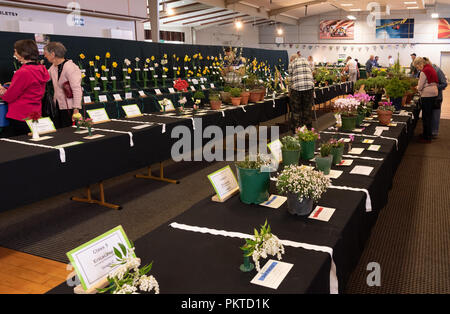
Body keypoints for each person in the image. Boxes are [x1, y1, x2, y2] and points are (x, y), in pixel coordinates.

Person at [0, 39, 49, 137]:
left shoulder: (23, 72)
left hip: (20, 116)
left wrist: (2, 91)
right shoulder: (41, 69)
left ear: (22, 53)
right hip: (35, 113)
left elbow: (9, 97)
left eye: (15, 51)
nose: (14, 53)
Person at [44, 42, 83, 129]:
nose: (45, 56)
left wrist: (76, 109)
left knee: (70, 131)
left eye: (46, 54)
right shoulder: (53, 67)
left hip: (69, 107)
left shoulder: (71, 67)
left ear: (53, 54)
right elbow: (45, 78)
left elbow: (77, 89)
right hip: (58, 106)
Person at [413, 57, 439, 143]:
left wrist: (416, 88)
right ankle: (427, 134)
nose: (417, 69)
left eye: (417, 67)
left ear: (419, 64)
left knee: (426, 117)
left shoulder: (424, 71)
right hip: (434, 94)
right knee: (429, 116)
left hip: (427, 95)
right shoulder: (430, 68)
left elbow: (420, 86)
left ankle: (426, 138)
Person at [288, 55, 315, 131]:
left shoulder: (292, 63)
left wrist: (289, 91)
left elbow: (290, 79)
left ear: (292, 59)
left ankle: (297, 130)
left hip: (297, 89)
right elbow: (312, 73)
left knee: (296, 110)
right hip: (309, 88)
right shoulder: (306, 61)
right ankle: (308, 129)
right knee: (307, 109)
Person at [423, 57, 448, 138]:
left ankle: (434, 133)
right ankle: (429, 132)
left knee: (435, 115)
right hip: (429, 97)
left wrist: (434, 87)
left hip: (437, 97)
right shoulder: (427, 70)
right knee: (429, 115)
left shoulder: (437, 70)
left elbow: (444, 84)